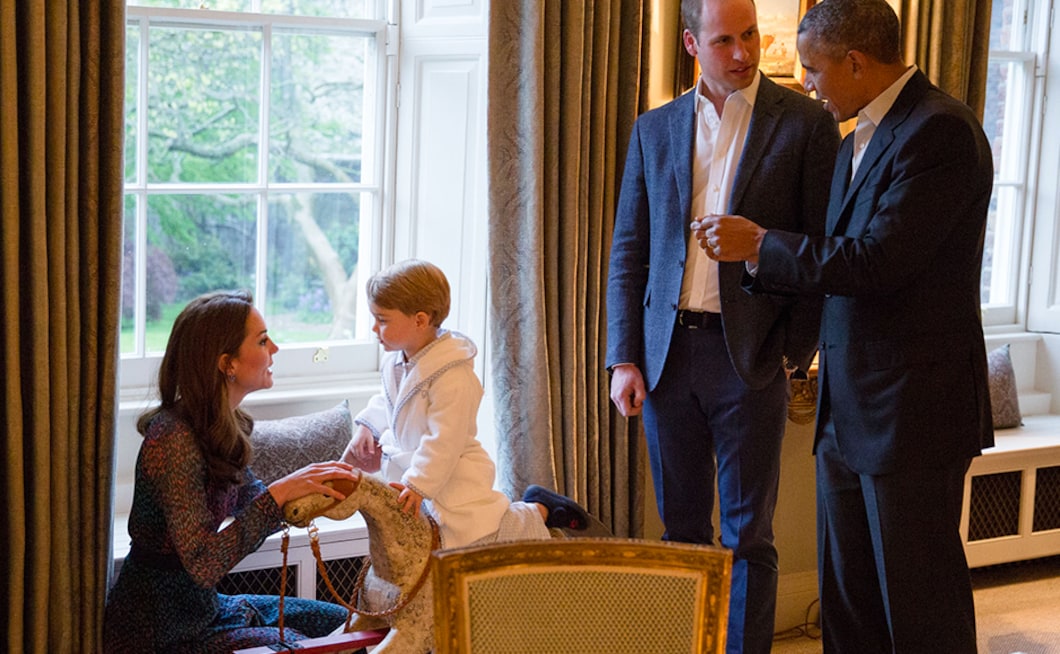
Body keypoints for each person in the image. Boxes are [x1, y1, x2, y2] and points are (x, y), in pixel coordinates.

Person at [695, 0, 995, 650]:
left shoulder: (940, 131)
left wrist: (761, 246)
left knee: (920, 612)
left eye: (813, 68)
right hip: (848, 411)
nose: (805, 82)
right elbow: (834, 256)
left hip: (912, 412)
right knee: (848, 609)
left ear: (856, 62)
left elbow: (879, 262)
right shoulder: (857, 133)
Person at [604, 0, 839, 651]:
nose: (741, 52)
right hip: (665, 356)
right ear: (690, 43)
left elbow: (822, 246)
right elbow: (631, 248)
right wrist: (624, 356)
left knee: (748, 537)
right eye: (724, 40)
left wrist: (795, 352)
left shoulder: (806, 126)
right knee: (680, 531)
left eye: (750, 37)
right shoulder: (655, 129)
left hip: (751, 357)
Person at [103, 291, 360, 653]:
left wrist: (331, 489)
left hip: (207, 611)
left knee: (345, 623)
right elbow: (206, 564)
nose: (276, 348)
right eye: (262, 340)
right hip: (159, 629)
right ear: (228, 364)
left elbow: (254, 501)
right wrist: (279, 494)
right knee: (300, 647)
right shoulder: (172, 437)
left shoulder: (221, 425)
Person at [340, 259, 591, 549]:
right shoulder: (396, 362)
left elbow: (444, 438)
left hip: (451, 473)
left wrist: (419, 483)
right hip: (413, 469)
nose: (374, 328)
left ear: (419, 320)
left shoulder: (453, 375)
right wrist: (366, 427)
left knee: (481, 531)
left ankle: (540, 508)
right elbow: (389, 403)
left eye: (382, 320)